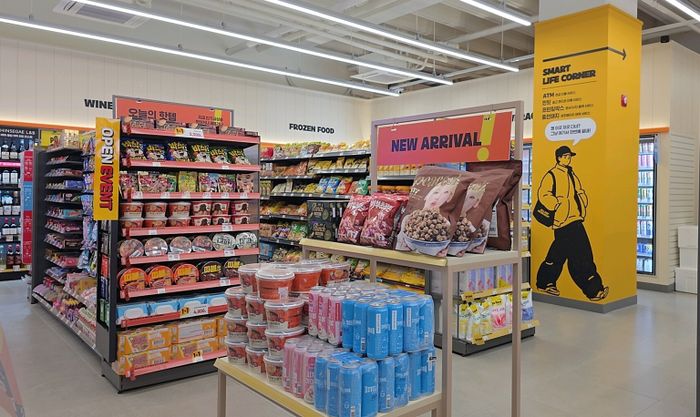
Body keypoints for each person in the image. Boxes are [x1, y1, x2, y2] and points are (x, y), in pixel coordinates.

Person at [536, 146, 609, 301]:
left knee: (559, 253)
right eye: (565, 156)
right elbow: (544, 194)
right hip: (562, 221)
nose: (568, 159)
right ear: (558, 158)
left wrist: (583, 201)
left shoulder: (571, 174)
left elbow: (579, 191)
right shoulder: (552, 174)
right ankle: (593, 289)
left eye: (569, 156)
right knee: (582, 254)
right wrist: (557, 205)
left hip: (575, 218)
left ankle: (545, 283)